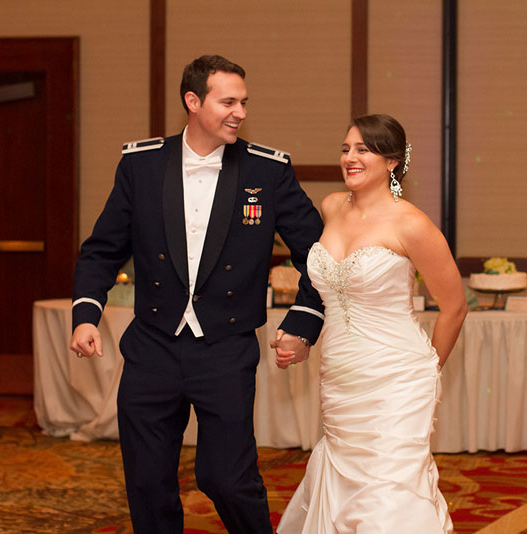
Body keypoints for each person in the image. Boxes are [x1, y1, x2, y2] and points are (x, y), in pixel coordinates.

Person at [69, 55, 324, 534]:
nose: (240, 112)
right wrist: (87, 314)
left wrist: (303, 321)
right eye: (228, 101)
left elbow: (320, 254)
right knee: (147, 482)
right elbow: (102, 250)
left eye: (243, 102)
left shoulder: (267, 172)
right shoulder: (140, 166)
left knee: (227, 478)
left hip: (225, 349)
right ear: (193, 101)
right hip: (151, 348)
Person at [276, 114, 467, 533]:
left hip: (398, 379)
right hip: (340, 377)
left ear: (392, 162)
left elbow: (454, 306)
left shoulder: (411, 224)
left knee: (388, 491)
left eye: (363, 149)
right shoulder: (330, 208)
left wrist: (427, 369)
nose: (350, 157)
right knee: (343, 482)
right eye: (346, 149)